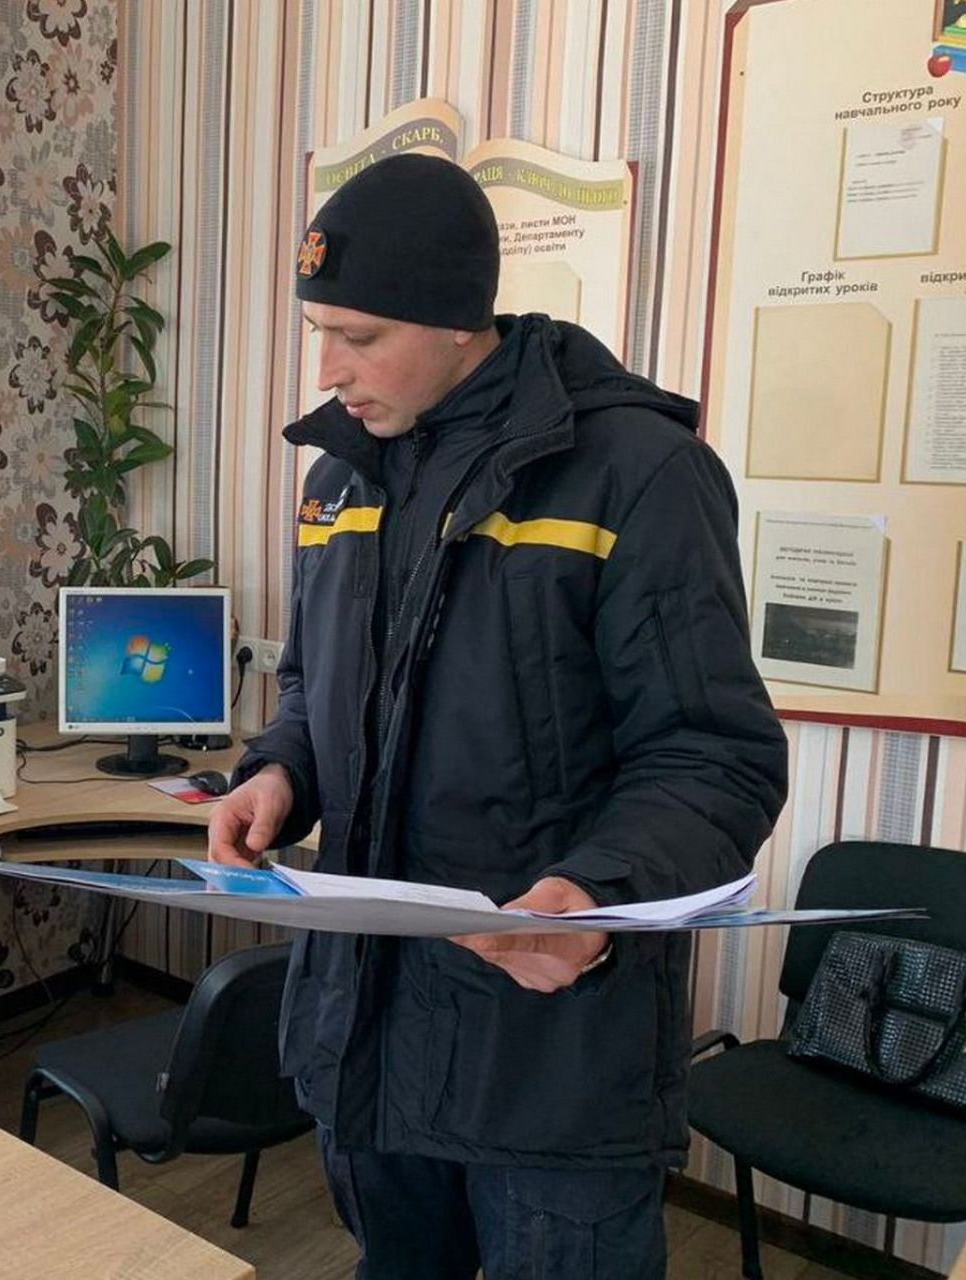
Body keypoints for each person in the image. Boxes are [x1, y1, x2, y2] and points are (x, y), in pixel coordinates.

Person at [207, 154, 788, 1278]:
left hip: (547, 1053)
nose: (329, 369)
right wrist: (279, 770)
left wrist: (598, 891)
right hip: (367, 1030)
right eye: (318, 331)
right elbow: (316, 687)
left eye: (360, 336)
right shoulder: (342, 478)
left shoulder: (638, 473)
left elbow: (714, 757)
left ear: (458, 320)